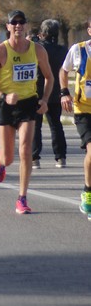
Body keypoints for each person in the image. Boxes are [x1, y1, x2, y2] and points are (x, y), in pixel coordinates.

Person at [0, 9, 53, 214]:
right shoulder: (0, 51)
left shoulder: (37, 50)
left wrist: (45, 99)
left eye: (22, 22)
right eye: (14, 22)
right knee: (9, 157)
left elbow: (49, 77)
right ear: (8, 27)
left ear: (26, 25)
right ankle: (0, 159)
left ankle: (22, 197)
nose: (18, 25)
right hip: (6, 105)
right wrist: (3, 96)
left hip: (28, 103)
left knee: (26, 150)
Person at [60, 18, 91, 218]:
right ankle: (88, 193)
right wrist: (64, 92)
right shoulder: (78, 50)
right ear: (89, 30)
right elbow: (64, 70)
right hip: (84, 110)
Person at [32, 19, 68, 169]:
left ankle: (35, 158)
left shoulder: (37, 48)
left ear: (43, 32)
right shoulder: (62, 50)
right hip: (56, 91)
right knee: (56, 125)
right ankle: (60, 157)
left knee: (36, 126)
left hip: (38, 90)